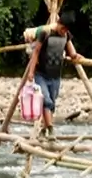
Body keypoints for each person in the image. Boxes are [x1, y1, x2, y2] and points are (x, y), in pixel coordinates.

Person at [25, 12, 82, 141]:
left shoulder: (66, 36)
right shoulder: (45, 33)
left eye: (66, 30)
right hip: (41, 74)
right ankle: (51, 129)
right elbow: (36, 52)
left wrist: (76, 56)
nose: (64, 32)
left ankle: (44, 129)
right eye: (63, 29)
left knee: (52, 104)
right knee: (46, 101)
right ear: (59, 24)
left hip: (55, 76)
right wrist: (31, 72)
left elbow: (71, 52)